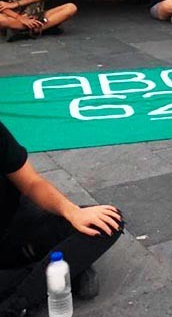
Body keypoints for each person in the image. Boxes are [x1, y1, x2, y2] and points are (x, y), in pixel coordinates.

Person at [0, 120, 123, 316]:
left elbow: (31, 182)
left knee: (108, 221)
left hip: (18, 228)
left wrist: (72, 212)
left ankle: (40, 280)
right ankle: (45, 282)